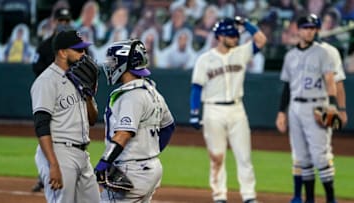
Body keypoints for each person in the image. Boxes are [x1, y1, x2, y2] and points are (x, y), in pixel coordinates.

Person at [189, 17, 267, 203]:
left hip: (237, 109)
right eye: (231, 35)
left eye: (235, 35)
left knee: (244, 156)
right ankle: (219, 196)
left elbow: (261, 40)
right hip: (212, 110)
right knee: (217, 157)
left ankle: (249, 196)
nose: (235, 38)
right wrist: (194, 113)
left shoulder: (242, 52)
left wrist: (247, 23)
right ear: (220, 36)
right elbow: (196, 87)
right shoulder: (205, 59)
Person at [276, 14, 347, 203]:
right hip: (295, 107)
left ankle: (331, 199)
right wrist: (281, 112)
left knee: (321, 156)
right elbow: (286, 86)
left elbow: (331, 81)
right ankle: (308, 199)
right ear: (298, 30)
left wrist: (332, 106)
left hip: (317, 105)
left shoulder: (323, 53)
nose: (309, 31)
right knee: (302, 157)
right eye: (306, 27)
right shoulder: (290, 55)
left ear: (316, 30)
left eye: (312, 28)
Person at [93, 39, 175, 202]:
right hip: (152, 168)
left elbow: (124, 134)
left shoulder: (131, 96)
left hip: (131, 171)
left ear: (125, 64)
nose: (110, 65)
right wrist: (148, 154)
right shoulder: (152, 91)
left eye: (113, 61)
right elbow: (169, 127)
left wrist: (104, 163)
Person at [30, 30, 100, 203]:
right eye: (78, 50)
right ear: (62, 52)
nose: (83, 54)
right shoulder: (46, 81)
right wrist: (53, 165)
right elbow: (41, 125)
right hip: (59, 152)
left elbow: (92, 120)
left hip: (83, 154)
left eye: (83, 49)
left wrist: (89, 96)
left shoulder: (79, 79)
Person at [32, 7, 73, 78]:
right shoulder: (44, 46)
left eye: (67, 21)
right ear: (54, 22)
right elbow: (36, 67)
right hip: (50, 85)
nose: (63, 23)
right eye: (60, 20)